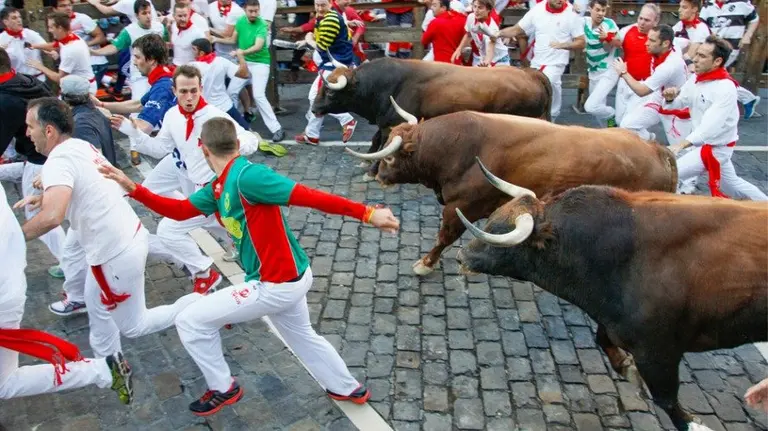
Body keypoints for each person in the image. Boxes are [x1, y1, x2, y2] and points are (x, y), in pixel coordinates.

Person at [100, 116, 400, 416]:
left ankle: (223, 387)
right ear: (236, 144)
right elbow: (179, 211)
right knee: (303, 336)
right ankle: (347, 388)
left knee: (191, 321)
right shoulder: (218, 186)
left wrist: (368, 213)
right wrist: (132, 187)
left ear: (203, 149)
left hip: (275, 285)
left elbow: (309, 196)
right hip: (291, 279)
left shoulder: (247, 177)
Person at [17, 97, 206, 361]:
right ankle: (110, 364)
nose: (27, 133)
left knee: (134, 325)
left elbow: (51, 217)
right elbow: (88, 185)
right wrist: (48, 195)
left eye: (30, 126)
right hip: (124, 239)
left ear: (48, 130)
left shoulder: (59, 161)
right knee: (97, 308)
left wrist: (13, 237)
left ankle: (203, 304)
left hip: (115, 253)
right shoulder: (79, 146)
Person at [113, 65, 261, 293]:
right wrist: (133, 133)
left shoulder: (215, 116)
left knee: (168, 230)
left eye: (194, 90)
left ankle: (206, 273)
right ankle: (240, 267)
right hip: (200, 192)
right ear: (174, 90)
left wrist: (240, 144)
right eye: (183, 92)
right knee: (227, 229)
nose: (189, 97)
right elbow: (159, 148)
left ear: (201, 88)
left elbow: (248, 139)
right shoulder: (172, 116)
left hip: (218, 192)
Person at [0, 184, 132, 403]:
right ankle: (104, 369)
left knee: (5, 383)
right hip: (9, 284)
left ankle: (103, 370)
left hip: (5, 291)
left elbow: (53, 216)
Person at [662, 35, 767, 201]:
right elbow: (681, 101)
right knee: (733, 185)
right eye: (697, 54)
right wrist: (670, 98)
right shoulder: (697, 79)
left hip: (716, 148)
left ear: (717, 61)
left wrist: (682, 144)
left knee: (669, 174)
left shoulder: (725, 87)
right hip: (707, 146)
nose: (695, 59)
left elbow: (711, 125)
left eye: (702, 56)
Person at [0, 47, 66, 279]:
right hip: (56, 151)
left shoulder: (6, 99)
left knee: (40, 218)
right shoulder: (26, 81)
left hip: (39, 160)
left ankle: (68, 263)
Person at [492, 0, 585, 120]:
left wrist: (564, 45)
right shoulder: (538, 10)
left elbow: (581, 42)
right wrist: (499, 33)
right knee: (551, 87)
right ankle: (548, 117)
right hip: (537, 61)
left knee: (546, 82)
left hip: (557, 62)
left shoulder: (572, 13)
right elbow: (517, 29)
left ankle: (548, 119)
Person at [93, 31, 173, 167]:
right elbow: (138, 105)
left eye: (137, 57)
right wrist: (101, 104)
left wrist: (109, 119)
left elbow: (143, 127)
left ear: (151, 59)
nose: (134, 62)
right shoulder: (163, 77)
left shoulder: (162, 86)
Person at [211, 0, 285, 143]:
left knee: (258, 95)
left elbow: (258, 46)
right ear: (245, 10)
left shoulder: (262, 24)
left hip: (260, 64)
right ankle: (234, 126)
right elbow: (232, 39)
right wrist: (215, 38)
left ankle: (276, 128)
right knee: (231, 90)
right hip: (245, 62)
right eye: (251, 11)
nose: (253, 14)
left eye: (256, 11)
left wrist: (241, 52)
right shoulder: (240, 22)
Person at [293, 0, 357, 146]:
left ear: (330, 3)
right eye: (317, 4)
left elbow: (322, 47)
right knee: (314, 97)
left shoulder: (330, 19)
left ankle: (346, 120)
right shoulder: (325, 17)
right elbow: (322, 38)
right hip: (334, 63)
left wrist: (308, 39)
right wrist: (306, 41)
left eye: (323, 4)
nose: (319, 8)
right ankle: (312, 135)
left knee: (316, 98)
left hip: (334, 65)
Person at [614, 24, 691, 146]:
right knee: (627, 125)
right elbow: (687, 43)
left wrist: (623, 72)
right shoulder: (674, 43)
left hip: (678, 107)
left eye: (652, 40)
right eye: (647, 38)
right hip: (659, 98)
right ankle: (650, 141)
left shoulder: (668, 66)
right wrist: (689, 61)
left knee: (681, 151)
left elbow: (641, 91)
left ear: (665, 43)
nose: (646, 43)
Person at [700, 0, 760, 119]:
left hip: (730, 47)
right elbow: (702, 25)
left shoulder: (741, 3)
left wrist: (748, 35)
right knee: (717, 76)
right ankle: (748, 98)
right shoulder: (708, 5)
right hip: (712, 46)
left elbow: (754, 19)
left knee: (711, 73)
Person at [190, 38, 251, 130]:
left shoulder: (192, 66)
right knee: (247, 132)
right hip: (225, 107)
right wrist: (240, 56)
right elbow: (245, 74)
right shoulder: (221, 61)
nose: (192, 52)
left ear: (201, 53)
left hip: (205, 110)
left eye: (194, 49)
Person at [613, 3, 660, 124]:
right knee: (619, 121)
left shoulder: (661, 38)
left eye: (647, 20)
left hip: (643, 85)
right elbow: (613, 43)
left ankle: (647, 139)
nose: (642, 23)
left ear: (656, 21)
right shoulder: (627, 30)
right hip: (624, 81)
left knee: (628, 125)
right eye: (640, 18)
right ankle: (648, 138)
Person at [26, 12, 96, 93]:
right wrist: (35, 46)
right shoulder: (71, 36)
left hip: (83, 90)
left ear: (59, 28)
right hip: (79, 85)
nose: (49, 30)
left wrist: (40, 67)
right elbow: (56, 44)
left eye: (51, 27)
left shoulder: (70, 50)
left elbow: (60, 79)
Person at [581, 0, 621, 127]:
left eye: (603, 10)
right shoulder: (583, 22)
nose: (600, 13)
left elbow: (614, 45)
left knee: (591, 106)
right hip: (593, 70)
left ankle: (614, 115)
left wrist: (606, 39)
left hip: (609, 69)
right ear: (590, 9)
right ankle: (610, 132)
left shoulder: (609, 24)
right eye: (597, 10)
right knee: (597, 110)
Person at [54, 0, 109, 88]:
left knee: (84, 94)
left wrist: (82, 45)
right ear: (55, 9)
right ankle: (109, 80)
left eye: (69, 5)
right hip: (75, 65)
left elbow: (101, 38)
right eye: (63, 6)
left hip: (93, 62)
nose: (68, 8)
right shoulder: (55, 24)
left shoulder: (81, 18)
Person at [452, 0, 509, 67]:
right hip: (482, 58)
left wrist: (486, 63)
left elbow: (490, 49)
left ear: (488, 9)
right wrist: (459, 49)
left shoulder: (492, 28)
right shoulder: (471, 17)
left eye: (480, 8)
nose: (476, 10)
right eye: (475, 6)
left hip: (499, 60)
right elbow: (469, 34)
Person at [0, 7, 47, 83]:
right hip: (17, 83)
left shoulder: (30, 34)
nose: (19, 20)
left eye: (19, 17)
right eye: (14, 18)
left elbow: (46, 47)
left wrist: (51, 52)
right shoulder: (1, 39)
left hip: (38, 80)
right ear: (6, 22)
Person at [421, 0, 467, 64]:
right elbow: (468, 34)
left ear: (443, 8)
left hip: (441, 64)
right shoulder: (462, 19)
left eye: (434, 5)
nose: (431, 8)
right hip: (456, 61)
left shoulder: (435, 22)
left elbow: (424, 41)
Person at [672, 0, 711, 68]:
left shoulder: (701, 28)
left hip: (693, 68)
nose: (679, 10)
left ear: (694, 9)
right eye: (680, 7)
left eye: (684, 7)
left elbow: (690, 55)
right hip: (676, 65)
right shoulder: (678, 25)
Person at [169, 3, 208, 67]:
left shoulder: (197, 32)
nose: (183, 19)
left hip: (190, 69)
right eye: (180, 16)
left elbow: (205, 54)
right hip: (175, 65)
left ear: (189, 15)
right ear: (174, 16)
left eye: (185, 15)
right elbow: (173, 44)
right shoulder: (173, 26)